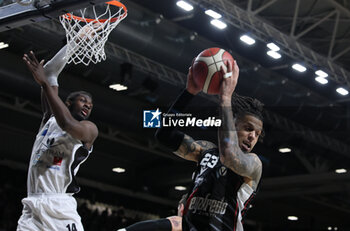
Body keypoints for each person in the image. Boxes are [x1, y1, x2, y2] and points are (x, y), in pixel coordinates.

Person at [118, 60, 264, 231]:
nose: (252, 136)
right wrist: (189, 92)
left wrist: (225, 98)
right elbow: (164, 134)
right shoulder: (206, 150)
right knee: (174, 222)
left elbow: (229, 155)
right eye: (248, 128)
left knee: (176, 223)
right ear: (232, 124)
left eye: (257, 134)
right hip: (191, 226)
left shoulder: (253, 164)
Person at [17, 44, 98, 231]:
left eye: (91, 105)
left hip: (59, 205)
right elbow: (51, 72)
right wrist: (77, 40)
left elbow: (67, 124)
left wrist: (45, 83)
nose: (87, 105)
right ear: (68, 102)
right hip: (31, 205)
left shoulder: (89, 129)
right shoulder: (49, 120)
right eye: (83, 100)